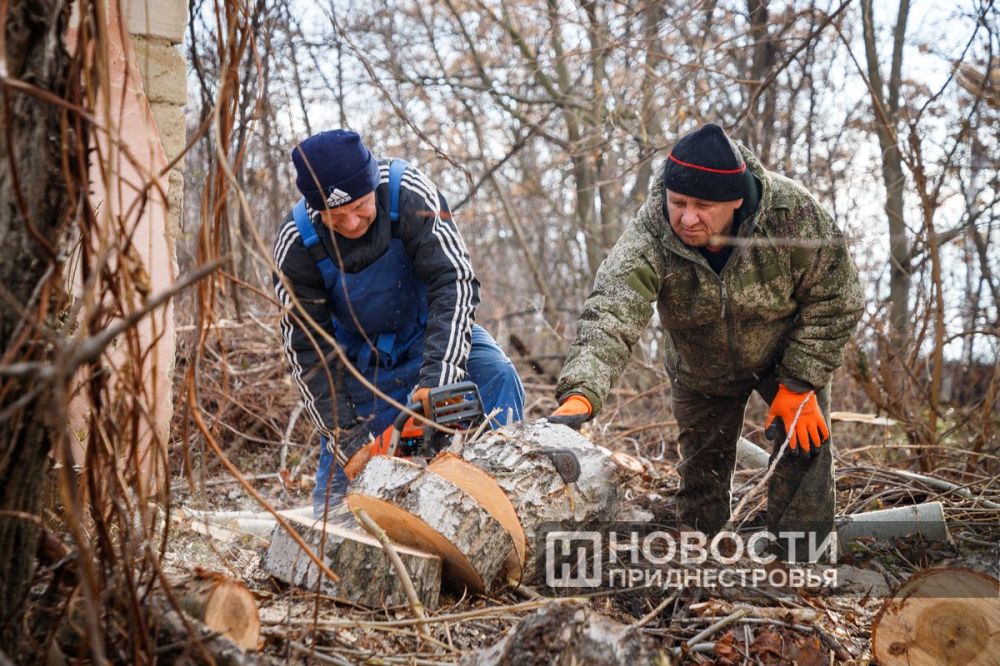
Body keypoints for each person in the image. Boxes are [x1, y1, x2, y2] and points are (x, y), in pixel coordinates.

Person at [549, 123, 863, 558]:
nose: (687, 218)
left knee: (806, 450)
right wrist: (581, 392)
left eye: (702, 206)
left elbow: (838, 297)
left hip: (786, 358)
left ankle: (801, 570)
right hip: (701, 370)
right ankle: (702, 571)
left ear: (735, 200)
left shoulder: (792, 213)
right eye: (678, 203)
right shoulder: (651, 235)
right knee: (702, 481)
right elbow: (612, 311)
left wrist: (801, 381)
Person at [273, 130, 525, 518]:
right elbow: (307, 352)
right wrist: (349, 440)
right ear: (316, 211)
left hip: (432, 339)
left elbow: (454, 280)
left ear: (373, 184)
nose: (352, 222)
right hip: (359, 368)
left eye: (359, 207)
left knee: (496, 374)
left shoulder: (409, 193)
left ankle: (506, 500)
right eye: (336, 217)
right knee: (331, 518)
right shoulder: (296, 243)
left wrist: (439, 376)